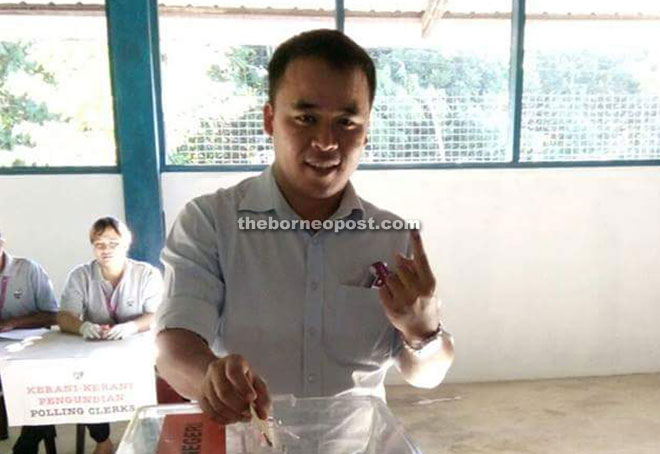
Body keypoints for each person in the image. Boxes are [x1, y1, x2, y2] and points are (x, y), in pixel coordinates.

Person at [155, 29, 455, 427]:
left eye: (347, 121)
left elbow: (426, 376)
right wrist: (211, 378)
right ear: (269, 119)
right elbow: (174, 347)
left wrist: (423, 332)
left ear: (366, 131)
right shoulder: (210, 223)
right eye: (306, 118)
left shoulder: (393, 238)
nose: (326, 141)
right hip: (251, 443)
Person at [57, 217, 163, 454]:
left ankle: (151, 439)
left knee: (154, 384)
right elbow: (64, 317)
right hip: (97, 353)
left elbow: (156, 315)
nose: (106, 250)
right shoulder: (80, 275)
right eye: (99, 244)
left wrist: (132, 327)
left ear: (127, 243)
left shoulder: (147, 274)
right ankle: (102, 440)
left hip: (139, 353)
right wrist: (84, 327)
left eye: (113, 243)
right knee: (83, 382)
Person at [0, 230, 58, 454]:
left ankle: (29, 441)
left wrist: (14, 323)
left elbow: (53, 315)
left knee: (35, 391)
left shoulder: (28, 269)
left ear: (2, 243)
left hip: (30, 347)